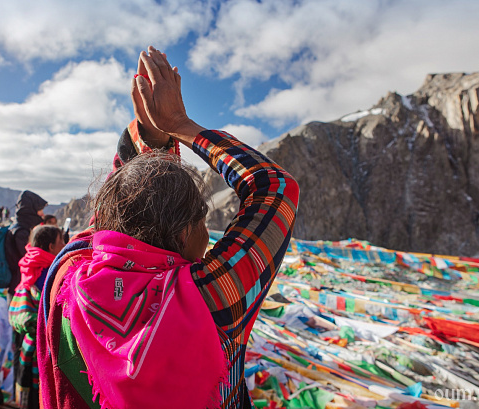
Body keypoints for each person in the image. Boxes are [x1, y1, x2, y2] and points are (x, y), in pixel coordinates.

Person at [37, 46, 299, 409]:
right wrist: (179, 124)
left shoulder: (71, 270)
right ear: (182, 236)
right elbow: (275, 189)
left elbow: (120, 211)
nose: (208, 242)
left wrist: (151, 135)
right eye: (203, 224)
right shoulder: (211, 301)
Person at [10, 225, 65, 409]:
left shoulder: (30, 265)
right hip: (40, 350)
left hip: (25, 345)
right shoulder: (49, 273)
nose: (65, 245)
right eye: (61, 241)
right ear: (51, 247)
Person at [5, 190, 48, 295]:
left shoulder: (20, 227)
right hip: (18, 285)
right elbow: (31, 258)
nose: (42, 214)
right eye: (40, 210)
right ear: (30, 210)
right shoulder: (21, 231)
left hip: (19, 282)